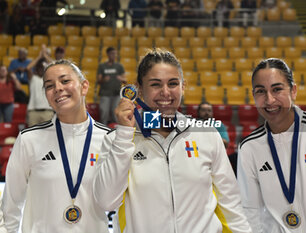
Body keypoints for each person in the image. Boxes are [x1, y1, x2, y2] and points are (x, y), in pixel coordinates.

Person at [93, 49, 252, 233]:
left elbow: (230, 203)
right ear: (139, 89)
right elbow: (106, 201)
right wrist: (124, 135)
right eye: (155, 84)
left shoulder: (206, 134)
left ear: (183, 87)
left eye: (173, 83)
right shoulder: (118, 140)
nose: (166, 93)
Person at [237, 58, 306, 232]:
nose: (269, 99)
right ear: (254, 96)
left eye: (277, 89)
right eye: (261, 91)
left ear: (293, 91)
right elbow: (250, 213)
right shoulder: (249, 147)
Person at [1, 59, 111, 232]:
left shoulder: (109, 139)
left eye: (65, 81)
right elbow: (10, 205)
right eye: (49, 86)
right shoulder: (29, 139)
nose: (58, 88)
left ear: (84, 86)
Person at [96, 47, 126, 125]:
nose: (114, 55)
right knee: (104, 113)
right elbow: (98, 80)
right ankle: (103, 129)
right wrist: (103, 80)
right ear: (108, 54)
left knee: (115, 113)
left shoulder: (119, 66)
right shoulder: (102, 66)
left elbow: (125, 80)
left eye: (115, 53)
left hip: (116, 93)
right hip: (105, 94)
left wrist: (121, 78)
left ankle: (116, 130)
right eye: (112, 53)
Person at [25, 46, 54, 127]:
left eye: (43, 67)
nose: (41, 69)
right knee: (32, 136)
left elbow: (54, 66)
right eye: (39, 67)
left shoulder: (49, 78)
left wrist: (45, 56)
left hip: (47, 111)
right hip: (33, 112)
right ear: (36, 69)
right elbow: (28, 68)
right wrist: (39, 57)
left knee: (47, 136)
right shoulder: (33, 78)